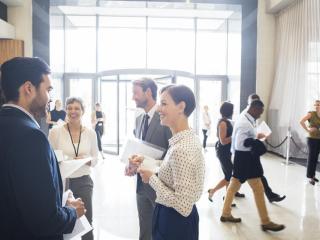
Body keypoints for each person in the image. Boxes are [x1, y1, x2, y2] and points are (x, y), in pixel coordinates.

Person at [0, 57, 86, 240]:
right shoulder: (32, 137)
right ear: (29, 88)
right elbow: (45, 220)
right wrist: (72, 212)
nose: (50, 98)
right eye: (47, 89)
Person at [136, 85, 205, 240]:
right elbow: (173, 167)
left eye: (164, 104)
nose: (159, 108)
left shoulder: (181, 149)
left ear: (181, 107)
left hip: (174, 222)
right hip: (173, 218)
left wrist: (151, 178)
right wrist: (147, 161)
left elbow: (183, 206)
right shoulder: (185, 138)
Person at [220, 100, 285, 232]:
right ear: (254, 109)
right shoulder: (245, 123)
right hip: (246, 160)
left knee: (235, 187)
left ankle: (226, 214)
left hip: (243, 160)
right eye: (260, 111)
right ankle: (265, 222)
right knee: (257, 188)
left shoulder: (245, 118)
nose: (261, 114)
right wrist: (254, 141)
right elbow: (240, 144)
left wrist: (254, 138)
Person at [126, 78, 172, 240]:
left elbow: (173, 155)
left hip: (161, 187)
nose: (133, 97)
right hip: (141, 186)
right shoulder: (139, 119)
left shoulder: (166, 118)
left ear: (148, 92)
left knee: (162, 232)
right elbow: (140, 150)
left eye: (135, 93)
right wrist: (132, 165)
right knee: (145, 232)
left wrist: (150, 165)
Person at [49, 97, 99, 240]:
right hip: (62, 182)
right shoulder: (55, 132)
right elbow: (49, 158)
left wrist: (87, 160)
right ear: (66, 110)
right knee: (61, 223)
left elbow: (96, 159)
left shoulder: (91, 133)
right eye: (70, 108)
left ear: (82, 111)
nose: (73, 111)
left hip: (84, 181)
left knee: (86, 223)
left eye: (77, 108)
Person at [243, 94, 286, 203]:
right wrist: (257, 136)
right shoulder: (244, 116)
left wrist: (260, 134)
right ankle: (226, 197)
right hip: (246, 153)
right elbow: (245, 136)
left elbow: (252, 131)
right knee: (237, 178)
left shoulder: (252, 116)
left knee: (256, 175)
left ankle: (270, 195)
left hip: (252, 151)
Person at [208, 102, 245, 202]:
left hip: (226, 152)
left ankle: (229, 196)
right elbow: (223, 141)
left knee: (230, 175)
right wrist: (235, 136)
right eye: (232, 110)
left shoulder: (227, 122)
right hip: (223, 153)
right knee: (229, 176)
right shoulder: (223, 123)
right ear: (228, 111)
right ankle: (213, 191)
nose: (233, 112)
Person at [300, 100, 320, 185]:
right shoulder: (311, 113)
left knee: (315, 158)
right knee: (312, 157)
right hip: (312, 139)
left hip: (319, 139)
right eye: (316, 105)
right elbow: (301, 121)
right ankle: (310, 177)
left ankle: (313, 175)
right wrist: (308, 129)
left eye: (319, 105)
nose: (317, 106)